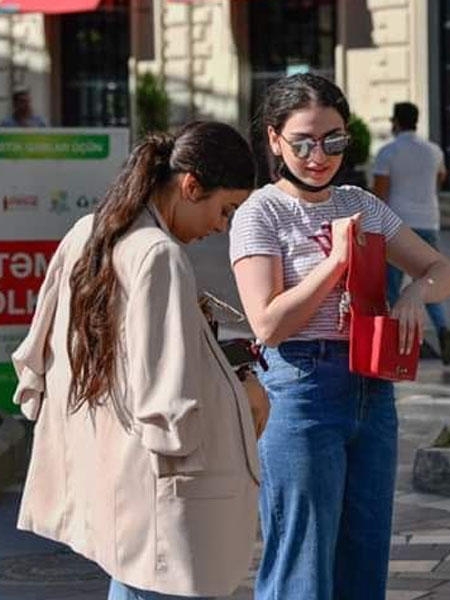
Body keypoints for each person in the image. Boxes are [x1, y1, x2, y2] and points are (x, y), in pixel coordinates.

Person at [11, 121, 266, 600]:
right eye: (224, 209)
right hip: (164, 489)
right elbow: (166, 400)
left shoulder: (90, 230)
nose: (221, 227)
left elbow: (44, 347)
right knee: (161, 580)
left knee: (133, 579)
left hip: (111, 471)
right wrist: (241, 400)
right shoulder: (160, 255)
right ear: (191, 186)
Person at [229, 74, 450, 600]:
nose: (319, 155)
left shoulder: (362, 203)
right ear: (273, 140)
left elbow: (443, 270)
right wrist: (335, 263)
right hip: (301, 389)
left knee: (365, 553)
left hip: (372, 388)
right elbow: (267, 323)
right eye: (303, 142)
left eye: (333, 140)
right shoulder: (259, 213)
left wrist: (414, 295)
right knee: (302, 563)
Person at [372, 101, 450, 365]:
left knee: (391, 289)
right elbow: (440, 178)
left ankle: (394, 343)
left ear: (395, 122)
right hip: (429, 221)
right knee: (428, 281)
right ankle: (443, 329)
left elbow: (380, 193)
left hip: (397, 226)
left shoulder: (387, 152)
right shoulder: (433, 151)